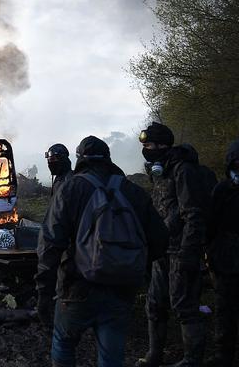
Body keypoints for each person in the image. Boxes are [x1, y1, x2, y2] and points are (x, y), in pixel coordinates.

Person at [36, 136, 168, 367]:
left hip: (76, 286)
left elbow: (50, 243)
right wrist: (135, 269)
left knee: (64, 343)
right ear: (108, 158)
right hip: (121, 288)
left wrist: (43, 292)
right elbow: (160, 240)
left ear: (79, 160)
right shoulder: (132, 191)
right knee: (111, 355)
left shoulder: (70, 189)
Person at [137, 122, 211, 367]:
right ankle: (154, 354)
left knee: (184, 305)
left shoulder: (183, 171)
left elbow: (193, 215)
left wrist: (191, 253)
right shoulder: (162, 171)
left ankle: (191, 360)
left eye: (148, 145)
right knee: (155, 303)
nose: (145, 149)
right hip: (163, 250)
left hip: (182, 250)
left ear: (162, 145)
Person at [205, 139, 239, 367]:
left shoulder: (223, 189)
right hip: (227, 258)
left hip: (226, 255)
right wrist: (210, 253)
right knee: (225, 309)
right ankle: (223, 355)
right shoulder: (223, 190)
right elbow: (211, 225)